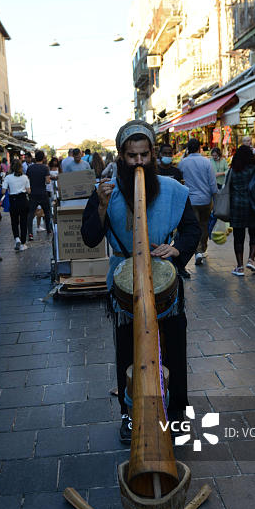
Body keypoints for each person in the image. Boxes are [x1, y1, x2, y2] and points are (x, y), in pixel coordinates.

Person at [81, 120, 201, 444]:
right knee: (128, 355)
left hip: (166, 287)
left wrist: (177, 249)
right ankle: (130, 414)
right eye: (131, 156)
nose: (138, 163)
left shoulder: (174, 189)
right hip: (125, 287)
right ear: (121, 156)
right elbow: (90, 237)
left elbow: (193, 230)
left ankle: (176, 414)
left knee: (174, 351)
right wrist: (103, 206)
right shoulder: (105, 192)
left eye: (144, 155)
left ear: (152, 155)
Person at [177, 138, 217, 265]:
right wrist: (215, 196)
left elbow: (180, 181)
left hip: (190, 200)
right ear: (199, 148)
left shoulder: (183, 163)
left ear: (188, 149)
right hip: (205, 199)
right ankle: (202, 249)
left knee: (193, 226)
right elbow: (212, 182)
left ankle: (197, 251)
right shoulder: (206, 162)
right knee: (204, 225)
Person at [229, 145, 255, 276]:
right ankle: (251, 259)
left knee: (238, 237)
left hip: (237, 206)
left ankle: (240, 267)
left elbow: (229, 188)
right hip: (254, 206)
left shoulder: (234, 170)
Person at [1, 159, 31, 250]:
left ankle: (16, 238)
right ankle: (23, 244)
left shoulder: (8, 177)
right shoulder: (25, 177)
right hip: (23, 200)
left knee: (14, 221)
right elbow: (29, 191)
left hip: (13, 201)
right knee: (23, 222)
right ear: (21, 167)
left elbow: (3, 191)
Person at [26, 150, 52, 240]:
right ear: (43, 158)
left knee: (31, 214)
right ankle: (48, 229)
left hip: (33, 194)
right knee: (47, 212)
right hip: (43, 193)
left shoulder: (30, 168)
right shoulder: (45, 168)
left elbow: (27, 181)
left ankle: (30, 233)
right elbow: (48, 181)